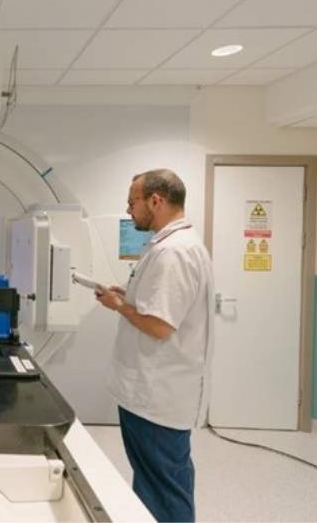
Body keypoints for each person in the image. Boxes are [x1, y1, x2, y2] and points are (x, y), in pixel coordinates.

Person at [95, 169, 214, 523]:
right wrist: (127, 296)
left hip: (157, 394)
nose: (128, 210)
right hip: (153, 392)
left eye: (132, 202)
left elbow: (161, 326)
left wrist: (119, 306)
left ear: (156, 200)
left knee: (163, 487)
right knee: (157, 482)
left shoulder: (174, 253)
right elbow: (160, 307)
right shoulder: (171, 245)